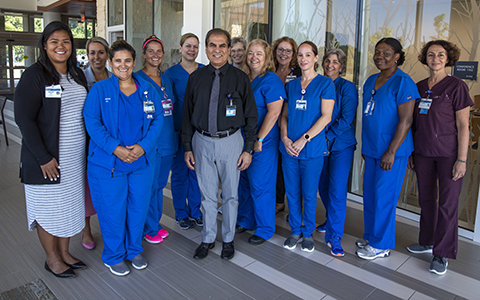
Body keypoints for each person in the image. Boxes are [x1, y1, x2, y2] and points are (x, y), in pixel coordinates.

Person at [14, 21, 88, 278]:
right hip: (46, 158)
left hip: (74, 158)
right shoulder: (34, 76)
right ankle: (52, 257)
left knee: (68, 206)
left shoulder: (76, 74)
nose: (60, 46)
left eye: (66, 41)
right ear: (44, 45)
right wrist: (44, 158)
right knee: (47, 209)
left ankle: (66, 252)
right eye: (54, 41)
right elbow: (24, 119)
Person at [83, 40, 164, 276]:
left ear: (134, 61)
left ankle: (133, 249)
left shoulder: (147, 89)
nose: (123, 65)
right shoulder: (100, 90)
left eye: (127, 60)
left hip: (141, 162)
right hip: (109, 164)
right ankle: (114, 255)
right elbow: (92, 123)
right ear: (110, 63)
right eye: (117, 60)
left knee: (138, 208)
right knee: (112, 210)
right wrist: (115, 148)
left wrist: (143, 146)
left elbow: (158, 119)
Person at [181, 28, 258, 260]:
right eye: (212, 45)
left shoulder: (240, 78)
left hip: (231, 141)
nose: (217, 50)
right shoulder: (195, 78)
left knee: (231, 195)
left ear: (228, 49)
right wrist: (187, 147)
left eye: (222, 45)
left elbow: (252, 116)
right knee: (208, 195)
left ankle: (228, 239)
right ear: (206, 49)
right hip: (201, 141)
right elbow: (186, 114)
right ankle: (207, 238)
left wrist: (248, 149)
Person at [407, 40, 472, 275]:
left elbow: (463, 125)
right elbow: (413, 124)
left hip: (448, 156)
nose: (435, 58)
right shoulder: (419, 86)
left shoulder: (457, 86)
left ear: (448, 59)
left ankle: (442, 253)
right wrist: (413, 153)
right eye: (431, 54)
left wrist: (462, 160)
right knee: (426, 200)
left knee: (447, 205)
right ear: (426, 58)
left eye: (440, 55)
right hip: (423, 153)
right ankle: (427, 240)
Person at [356, 37, 419, 260]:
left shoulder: (403, 82)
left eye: (386, 53)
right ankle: (372, 236)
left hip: (392, 152)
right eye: (377, 52)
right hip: (372, 149)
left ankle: (381, 245)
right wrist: (366, 147)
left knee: (384, 197)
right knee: (371, 196)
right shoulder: (371, 80)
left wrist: (391, 151)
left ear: (397, 57)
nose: (380, 56)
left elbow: (406, 120)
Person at [280, 41, 335, 253]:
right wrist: (285, 137)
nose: (303, 59)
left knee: (310, 193)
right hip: (290, 149)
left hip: (311, 149)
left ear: (315, 58)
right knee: (292, 193)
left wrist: (304, 139)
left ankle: (307, 233)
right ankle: (295, 230)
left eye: (308, 55)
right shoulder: (291, 85)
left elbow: (326, 116)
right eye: (300, 55)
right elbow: (284, 116)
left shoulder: (324, 84)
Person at [236, 39, 286, 245]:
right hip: (241, 138)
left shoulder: (271, 80)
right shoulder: (243, 78)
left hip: (261, 142)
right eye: (251, 53)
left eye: (259, 54)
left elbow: (274, 113)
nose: (254, 57)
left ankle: (265, 228)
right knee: (244, 182)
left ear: (266, 58)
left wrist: (259, 139)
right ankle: (246, 219)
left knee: (260, 184)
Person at [316, 48, 358, 257]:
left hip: (340, 145)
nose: (330, 65)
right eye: (327, 61)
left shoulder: (347, 87)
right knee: (322, 187)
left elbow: (347, 118)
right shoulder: (319, 84)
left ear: (341, 66)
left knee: (337, 190)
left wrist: (326, 136)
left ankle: (334, 237)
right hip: (319, 143)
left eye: (335, 62)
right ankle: (330, 219)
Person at [136, 35, 177, 243]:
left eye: (158, 51)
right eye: (150, 51)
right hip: (150, 142)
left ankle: (154, 222)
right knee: (149, 186)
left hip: (168, 140)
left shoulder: (167, 79)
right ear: (144, 54)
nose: (155, 55)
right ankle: (147, 226)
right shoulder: (136, 79)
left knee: (160, 185)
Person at [165, 33, 205, 230]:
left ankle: (196, 211)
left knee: (197, 174)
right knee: (180, 174)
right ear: (180, 48)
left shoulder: (206, 71)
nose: (192, 50)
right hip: (179, 132)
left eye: (195, 46)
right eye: (188, 46)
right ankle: (181, 213)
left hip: (201, 133)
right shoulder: (170, 74)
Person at [82, 36, 112, 250]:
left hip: (111, 141)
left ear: (107, 54)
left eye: (100, 52)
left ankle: (110, 228)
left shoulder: (115, 78)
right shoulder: (79, 79)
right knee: (86, 188)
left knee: (108, 188)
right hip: (86, 140)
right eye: (92, 53)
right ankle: (86, 230)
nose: (96, 57)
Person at [272, 36, 302, 214]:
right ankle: (277, 200)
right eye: (280, 50)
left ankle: (295, 207)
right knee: (275, 166)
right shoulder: (269, 71)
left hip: (291, 127)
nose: (283, 54)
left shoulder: (298, 74)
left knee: (289, 166)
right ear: (275, 52)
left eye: (288, 51)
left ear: (293, 54)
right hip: (270, 125)